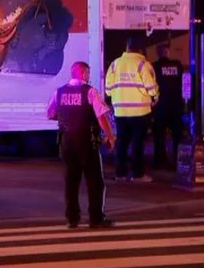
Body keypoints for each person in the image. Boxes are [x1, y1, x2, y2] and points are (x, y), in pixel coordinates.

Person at [47, 61, 117, 228]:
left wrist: (67, 119)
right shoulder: (90, 92)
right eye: (88, 73)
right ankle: (96, 218)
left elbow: (50, 114)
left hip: (67, 143)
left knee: (71, 182)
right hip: (87, 142)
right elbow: (102, 117)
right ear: (84, 74)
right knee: (95, 182)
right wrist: (110, 137)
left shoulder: (59, 92)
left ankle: (72, 219)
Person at [105, 36, 159, 182]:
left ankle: (120, 173)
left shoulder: (115, 64)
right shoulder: (143, 64)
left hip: (120, 111)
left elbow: (108, 90)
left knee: (121, 142)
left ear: (126, 47)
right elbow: (151, 87)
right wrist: (155, 96)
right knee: (138, 142)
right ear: (140, 49)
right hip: (140, 111)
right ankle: (137, 174)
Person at [152, 44, 184, 169]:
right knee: (177, 135)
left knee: (159, 135)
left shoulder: (155, 66)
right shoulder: (177, 65)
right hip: (176, 105)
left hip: (161, 106)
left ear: (158, 53)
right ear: (168, 52)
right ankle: (178, 160)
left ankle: (159, 161)